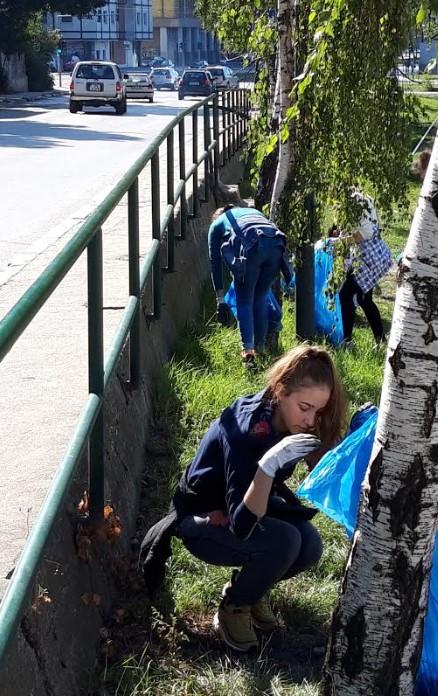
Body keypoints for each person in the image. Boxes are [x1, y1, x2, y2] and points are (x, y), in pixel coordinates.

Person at [138, 345, 347, 652]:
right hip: (201, 516)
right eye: (305, 407)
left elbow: (327, 475)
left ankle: (252, 588)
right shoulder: (249, 431)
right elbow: (242, 524)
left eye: (319, 410)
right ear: (280, 390)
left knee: (311, 545)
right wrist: (269, 465)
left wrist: (351, 447)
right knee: (286, 541)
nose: (311, 419)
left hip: (240, 504)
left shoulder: (292, 420)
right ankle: (234, 607)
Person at [209, 205, 292, 364]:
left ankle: (248, 352)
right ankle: (260, 348)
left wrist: (220, 299)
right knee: (260, 296)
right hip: (276, 244)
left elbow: (215, 262)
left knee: (245, 300)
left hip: (250, 245)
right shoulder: (253, 212)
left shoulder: (217, 224)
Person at [338, 190, 393, 346]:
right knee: (364, 298)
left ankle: (347, 341)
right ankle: (380, 340)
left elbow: (366, 232)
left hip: (368, 258)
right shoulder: (354, 199)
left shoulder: (357, 200)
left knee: (346, 295)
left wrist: (340, 242)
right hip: (368, 257)